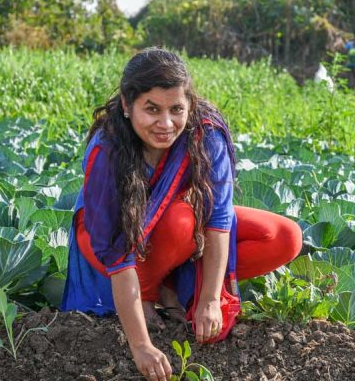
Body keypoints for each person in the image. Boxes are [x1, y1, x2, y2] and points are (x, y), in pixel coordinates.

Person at [61, 47, 303, 381]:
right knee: (180, 222)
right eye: (152, 109)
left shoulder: (206, 133)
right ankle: (149, 294)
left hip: (182, 234)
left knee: (283, 237)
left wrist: (208, 301)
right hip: (108, 241)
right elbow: (116, 253)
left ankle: (172, 287)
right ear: (128, 106)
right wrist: (141, 346)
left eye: (177, 109)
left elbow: (219, 222)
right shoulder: (109, 150)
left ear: (189, 104)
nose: (166, 123)